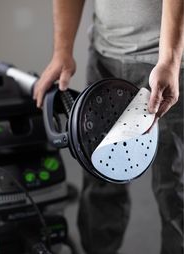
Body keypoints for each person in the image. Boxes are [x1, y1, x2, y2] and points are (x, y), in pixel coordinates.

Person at [33, 1, 184, 253]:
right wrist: (62, 50)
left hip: (168, 64)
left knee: (174, 189)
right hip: (105, 56)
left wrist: (169, 60)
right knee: (99, 182)